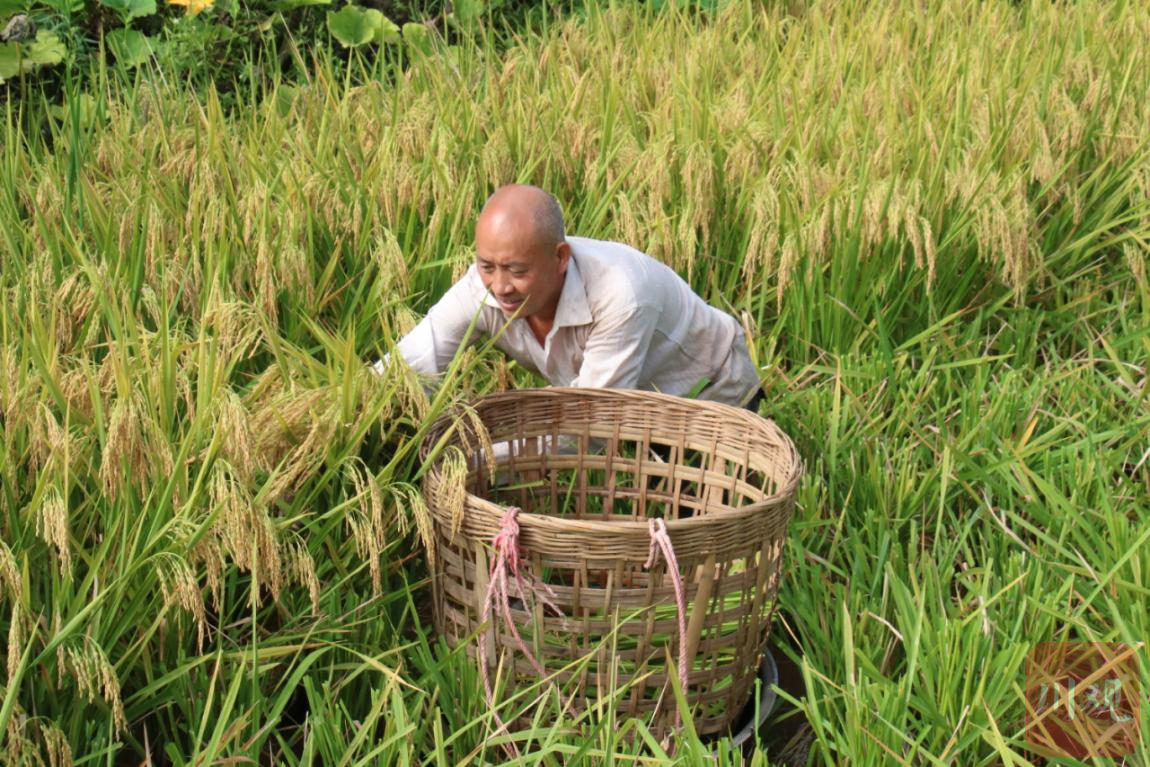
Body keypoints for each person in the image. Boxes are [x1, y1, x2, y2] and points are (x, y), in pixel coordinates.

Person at [374, 184, 764, 412]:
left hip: (709, 397)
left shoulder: (622, 295)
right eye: (487, 265)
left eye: (517, 271)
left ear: (560, 258)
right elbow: (410, 364)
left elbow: (589, 421)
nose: (500, 286)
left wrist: (481, 460)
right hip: (625, 410)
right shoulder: (482, 288)